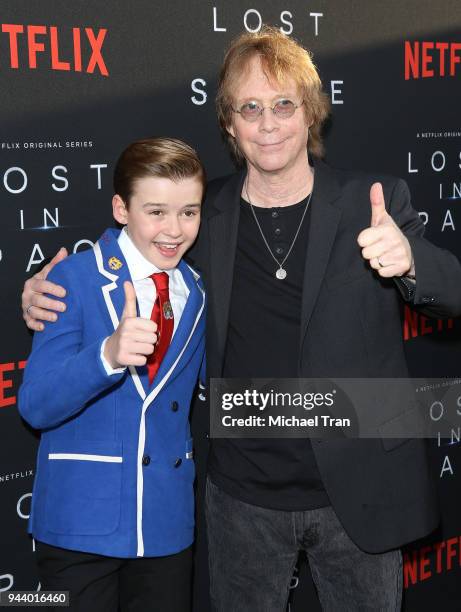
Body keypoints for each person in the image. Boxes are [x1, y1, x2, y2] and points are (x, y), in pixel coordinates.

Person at [22, 28, 461, 612]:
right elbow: (124, 256)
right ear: (229, 124)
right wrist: (44, 291)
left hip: (358, 495)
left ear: (312, 113)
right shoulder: (203, 218)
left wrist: (411, 265)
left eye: (284, 104)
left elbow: (452, 291)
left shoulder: (370, 201)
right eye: (249, 108)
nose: (269, 123)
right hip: (242, 501)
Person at [19, 137, 206, 612]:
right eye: (156, 211)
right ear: (121, 208)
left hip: (166, 527)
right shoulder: (73, 279)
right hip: (80, 525)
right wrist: (107, 355)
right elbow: (36, 405)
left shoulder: (198, 291)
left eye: (189, 212)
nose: (174, 230)